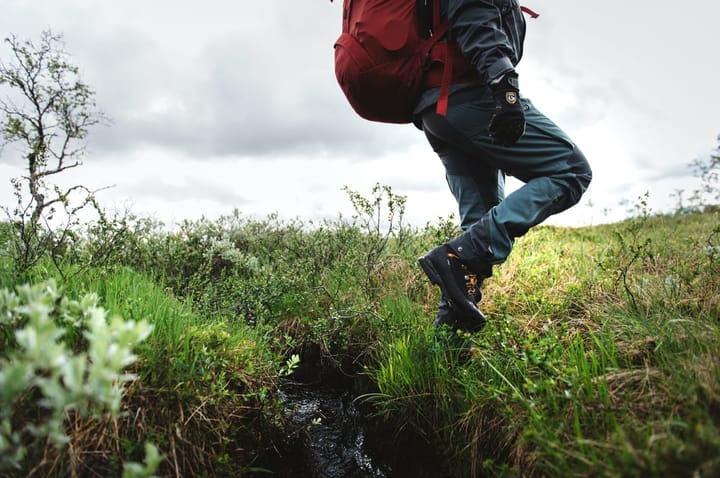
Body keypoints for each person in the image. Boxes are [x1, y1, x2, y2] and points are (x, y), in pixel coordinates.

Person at [414, 0, 593, 339]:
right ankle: (459, 257)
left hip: (437, 111)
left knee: (477, 226)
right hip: (470, 97)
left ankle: (443, 353)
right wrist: (505, 88)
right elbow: (474, 17)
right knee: (570, 171)